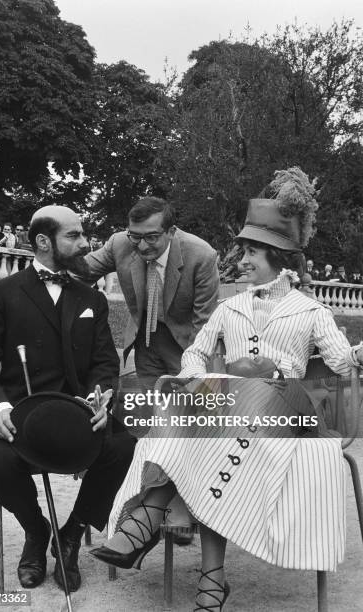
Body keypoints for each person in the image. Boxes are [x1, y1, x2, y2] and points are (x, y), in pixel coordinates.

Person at [90, 168, 363, 610]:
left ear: (276, 255)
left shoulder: (311, 310)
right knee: (192, 409)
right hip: (232, 409)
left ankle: (145, 518)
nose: (243, 259)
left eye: (252, 251)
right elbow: (196, 353)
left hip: (289, 407)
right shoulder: (229, 309)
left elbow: (338, 361)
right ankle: (209, 579)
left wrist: (353, 354)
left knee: (221, 410)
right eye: (244, 250)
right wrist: (194, 377)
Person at [0, 205, 136, 593]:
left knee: (122, 446)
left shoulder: (92, 299)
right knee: (0, 462)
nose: (85, 243)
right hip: (20, 418)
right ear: (43, 241)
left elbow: (105, 362)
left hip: (77, 418)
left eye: (82, 234)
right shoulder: (1, 293)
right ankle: (36, 532)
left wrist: (100, 395)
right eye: (73, 235)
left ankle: (70, 534)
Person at [83, 196, 220, 387]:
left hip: (186, 339)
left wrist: (192, 366)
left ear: (171, 232)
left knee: (189, 406)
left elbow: (204, 322)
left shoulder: (201, 256)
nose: (142, 245)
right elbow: (79, 272)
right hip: (145, 339)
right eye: (135, 236)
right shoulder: (119, 243)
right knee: (152, 405)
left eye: (151, 237)